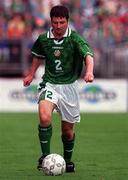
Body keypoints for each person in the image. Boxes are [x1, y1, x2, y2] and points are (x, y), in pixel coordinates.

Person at [23, 5, 94, 173]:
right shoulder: (43, 39)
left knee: (67, 132)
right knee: (44, 116)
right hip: (49, 83)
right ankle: (45, 156)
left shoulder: (75, 39)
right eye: (55, 22)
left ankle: (67, 161)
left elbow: (88, 56)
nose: (59, 26)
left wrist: (89, 72)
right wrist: (31, 74)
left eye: (62, 22)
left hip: (69, 87)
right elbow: (37, 56)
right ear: (51, 22)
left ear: (67, 21)